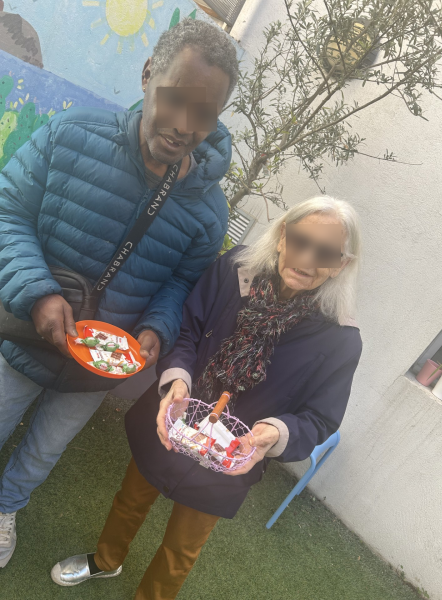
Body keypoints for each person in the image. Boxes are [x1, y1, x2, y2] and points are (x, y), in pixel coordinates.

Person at [0, 18, 240, 568]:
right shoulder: (71, 134)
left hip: (100, 364)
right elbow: (9, 210)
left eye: (204, 114)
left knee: (45, 449)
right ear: (148, 74)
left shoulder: (209, 212)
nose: (183, 125)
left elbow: (181, 284)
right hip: (24, 333)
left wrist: (157, 327)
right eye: (174, 99)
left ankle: (6, 506)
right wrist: (37, 293)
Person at [52, 196, 364, 600]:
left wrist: (276, 432)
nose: (306, 258)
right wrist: (176, 380)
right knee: (130, 500)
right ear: (283, 234)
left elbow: (320, 418)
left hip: (232, 455)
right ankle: (106, 560)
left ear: (341, 263)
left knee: (181, 548)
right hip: (174, 419)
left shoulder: (341, 339)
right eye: (301, 241)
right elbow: (186, 330)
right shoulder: (236, 268)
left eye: (324, 253)